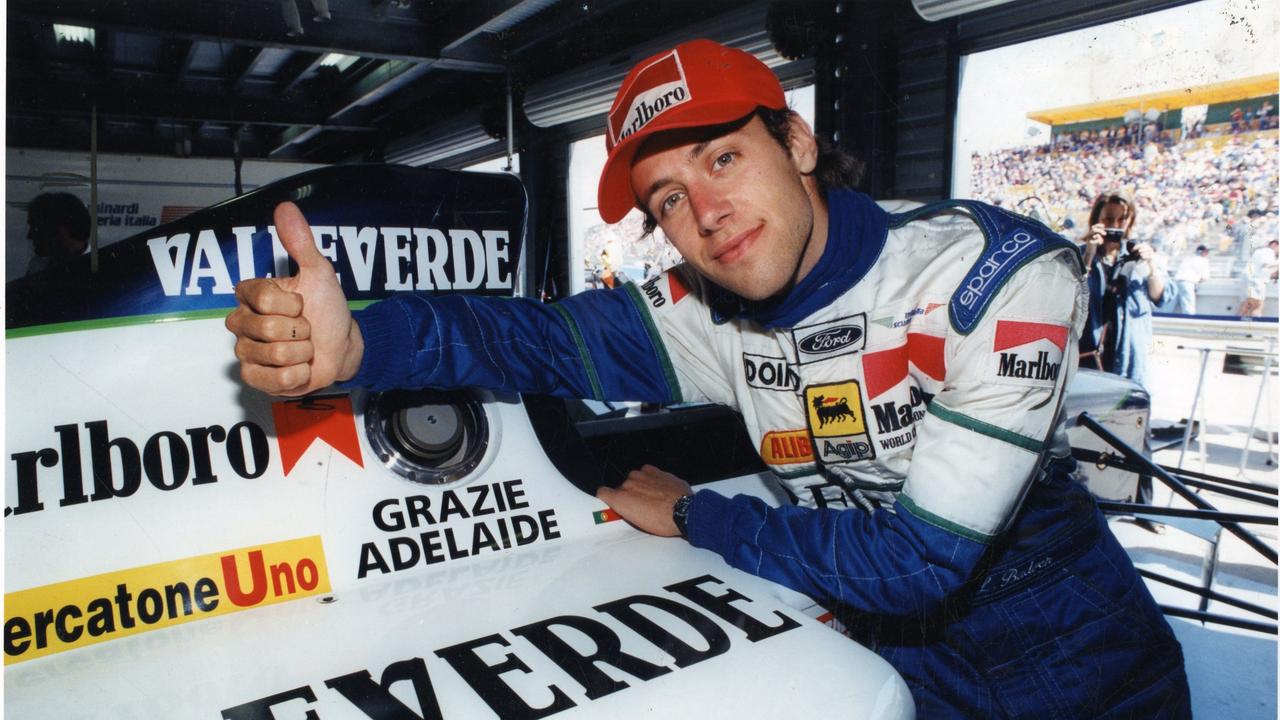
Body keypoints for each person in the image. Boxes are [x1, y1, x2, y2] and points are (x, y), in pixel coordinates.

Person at [226, 39, 1190, 717]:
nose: (709, 212)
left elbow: (916, 563)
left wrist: (699, 515)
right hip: (887, 650)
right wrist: (367, 346)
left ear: (799, 145)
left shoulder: (993, 274)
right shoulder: (703, 314)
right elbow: (534, 339)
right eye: (670, 198)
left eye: (724, 157)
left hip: (1068, 638)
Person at [1077, 191, 1177, 387]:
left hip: (1129, 357)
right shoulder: (1080, 255)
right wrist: (1089, 252)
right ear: (1096, 220)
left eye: (1122, 219)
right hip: (1088, 355)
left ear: (1130, 222)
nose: (1114, 225)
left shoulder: (1142, 257)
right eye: (1108, 218)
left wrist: (1151, 266)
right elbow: (1071, 293)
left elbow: (1161, 297)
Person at [25, 192, 91, 276]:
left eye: (36, 228)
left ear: (62, 230)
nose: (29, 236)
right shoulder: (38, 264)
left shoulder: (99, 274)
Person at [1241, 238, 1278, 317]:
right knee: (1257, 305)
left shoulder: (1260, 251)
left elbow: (1265, 270)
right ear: (1274, 244)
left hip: (1250, 278)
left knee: (1247, 306)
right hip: (1255, 280)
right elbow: (1266, 265)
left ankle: (1236, 325)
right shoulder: (1269, 251)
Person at [1171, 244, 1211, 315]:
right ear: (1202, 252)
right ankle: (1190, 322)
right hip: (1187, 283)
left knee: (1170, 304)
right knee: (1189, 306)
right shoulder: (1203, 260)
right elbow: (1205, 277)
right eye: (1206, 251)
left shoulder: (1188, 258)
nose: (1207, 253)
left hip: (1176, 282)